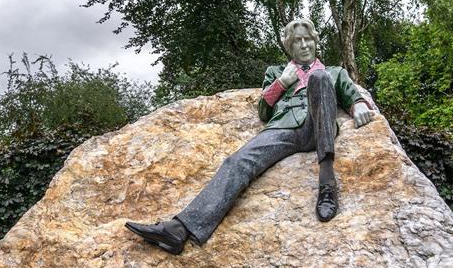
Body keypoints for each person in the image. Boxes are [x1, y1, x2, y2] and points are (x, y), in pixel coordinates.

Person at [125, 18, 377, 254]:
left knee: (319, 78)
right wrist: (281, 83)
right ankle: (179, 230)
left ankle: (327, 183)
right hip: (283, 129)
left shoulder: (334, 72)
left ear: (315, 41)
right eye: (297, 41)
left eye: (308, 39)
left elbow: (352, 96)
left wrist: (359, 106)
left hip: (317, 126)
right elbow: (264, 112)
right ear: (289, 46)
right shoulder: (277, 71)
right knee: (237, 161)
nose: (304, 45)